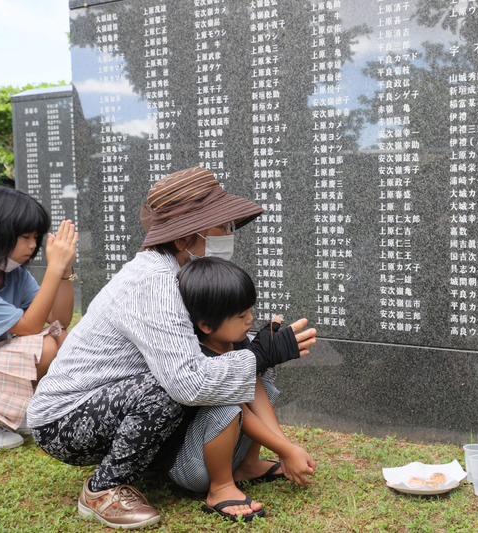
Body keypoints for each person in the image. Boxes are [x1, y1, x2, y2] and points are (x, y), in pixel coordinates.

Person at [28, 167, 317, 530]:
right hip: (64, 419)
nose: (229, 234)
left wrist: (257, 356)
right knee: (172, 386)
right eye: (220, 226)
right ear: (183, 239)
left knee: (234, 358)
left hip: (112, 404)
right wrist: (259, 355)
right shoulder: (154, 281)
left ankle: (238, 464)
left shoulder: (182, 273)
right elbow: (186, 384)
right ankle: (103, 489)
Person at [168, 257, 316, 522]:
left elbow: (254, 391)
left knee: (263, 387)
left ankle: (247, 466)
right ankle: (221, 487)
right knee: (226, 405)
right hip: (190, 468)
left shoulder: (235, 343)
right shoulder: (197, 357)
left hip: (218, 454)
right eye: (240, 315)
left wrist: (285, 447)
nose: (250, 318)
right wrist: (286, 451)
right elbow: (242, 414)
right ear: (205, 325)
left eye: (249, 310)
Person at [0, 187, 77, 450]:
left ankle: (7, 411)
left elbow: (59, 320)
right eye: (25, 236)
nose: (33, 245)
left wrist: (65, 270)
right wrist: (53, 267)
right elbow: (29, 327)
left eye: (36, 237)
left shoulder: (12, 272)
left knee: (57, 336)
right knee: (45, 344)